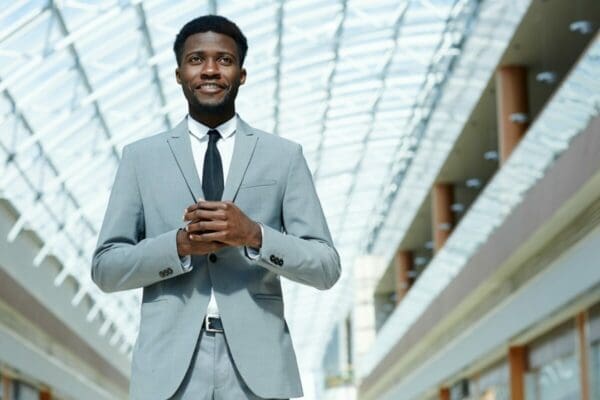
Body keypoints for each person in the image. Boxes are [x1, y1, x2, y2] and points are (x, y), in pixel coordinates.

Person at [91, 14, 341, 400]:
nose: (210, 70)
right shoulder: (140, 158)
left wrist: (254, 235)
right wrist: (177, 246)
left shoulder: (283, 156)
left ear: (241, 74)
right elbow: (106, 269)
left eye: (224, 60)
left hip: (258, 368)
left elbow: (325, 267)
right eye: (196, 60)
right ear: (178, 74)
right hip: (169, 368)